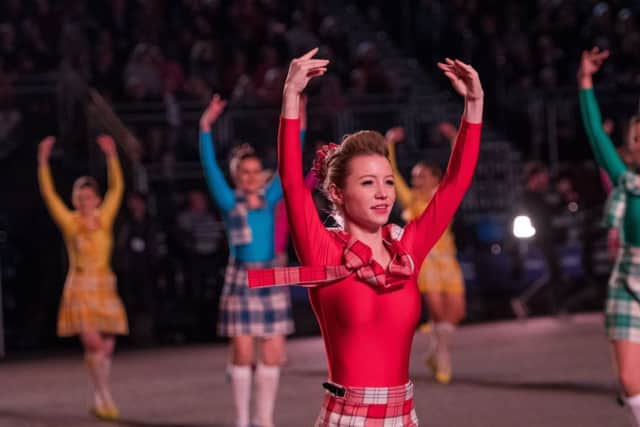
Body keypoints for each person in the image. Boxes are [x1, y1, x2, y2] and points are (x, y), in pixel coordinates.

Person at [249, 48, 483, 426]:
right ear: (338, 193)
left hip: (404, 417)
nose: (383, 193)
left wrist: (474, 104)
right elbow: (292, 183)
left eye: (388, 181)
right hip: (347, 418)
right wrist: (290, 96)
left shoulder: (407, 251)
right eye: (368, 183)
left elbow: (455, 185)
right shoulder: (322, 249)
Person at [198, 95, 295, 427]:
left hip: (270, 277)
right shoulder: (229, 200)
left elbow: (291, 165)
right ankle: (242, 421)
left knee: (272, 352)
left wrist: (299, 124)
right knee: (242, 351)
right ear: (237, 175)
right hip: (241, 279)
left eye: (256, 171)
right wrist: (205, 127)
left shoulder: (270, 198)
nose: (252, 177)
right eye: (246, 172)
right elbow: (210, 169)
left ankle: (264, 420)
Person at [37, 134, 127, 420]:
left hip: (104, 283)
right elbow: (49, 195)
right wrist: (42, 163)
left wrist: (112, 157)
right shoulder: (70, 222)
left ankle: (98, 397)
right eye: (79, 196)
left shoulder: (105, 217)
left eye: (88, 196)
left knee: (108, 344)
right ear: (75, 200)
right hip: (80, 286)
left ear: (96, 199)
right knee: (94, 344)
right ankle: (105, 397)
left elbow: (118, 188)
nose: (84, 200)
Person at [578, 47, 640, 426]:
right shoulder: (625, 182)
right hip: (628, 283)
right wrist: (585, 81)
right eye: (637, 137)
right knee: (629, 380)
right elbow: (595, 133)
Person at [386, 124, 466, 385]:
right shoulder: (411, 200)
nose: (416, 180)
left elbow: (459, 170)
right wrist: (389, 145)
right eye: (415, 176)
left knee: (456, 312)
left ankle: (434, 352)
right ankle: (442, 356)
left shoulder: (446, 197)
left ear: (436, 178)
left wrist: (456, 139)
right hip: (425, 261)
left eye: (421, 176)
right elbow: (393, 174)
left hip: (447, 260)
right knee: (438, 312)